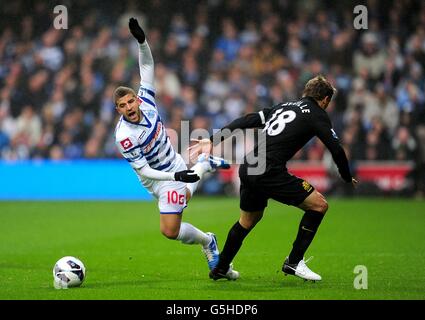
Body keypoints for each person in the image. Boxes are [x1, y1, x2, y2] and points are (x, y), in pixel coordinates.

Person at [189, 75, 358, 281]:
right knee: (319, 206)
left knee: (248, 220)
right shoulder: (316, 113)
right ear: (324, 100)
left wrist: (213, 139)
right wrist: (347, 176)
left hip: (249, 166)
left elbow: (247, 119)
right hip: (268, 171)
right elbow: (336, 149)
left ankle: (221, 268)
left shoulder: (283, 107)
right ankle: (294, 262)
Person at [114, 18, 230, 272]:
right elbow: (143, 170)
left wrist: (142, 41)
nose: (129, 108)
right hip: (156, 177)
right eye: (123, 106)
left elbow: (147, 65)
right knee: (179, 209)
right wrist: (175, 174)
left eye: (131, 102)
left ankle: (208, 241)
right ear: (118, 110)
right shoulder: (124, 136)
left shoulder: (147, 100)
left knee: (169, 230)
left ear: (136, 99)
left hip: (171, 170)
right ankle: (203, 165)